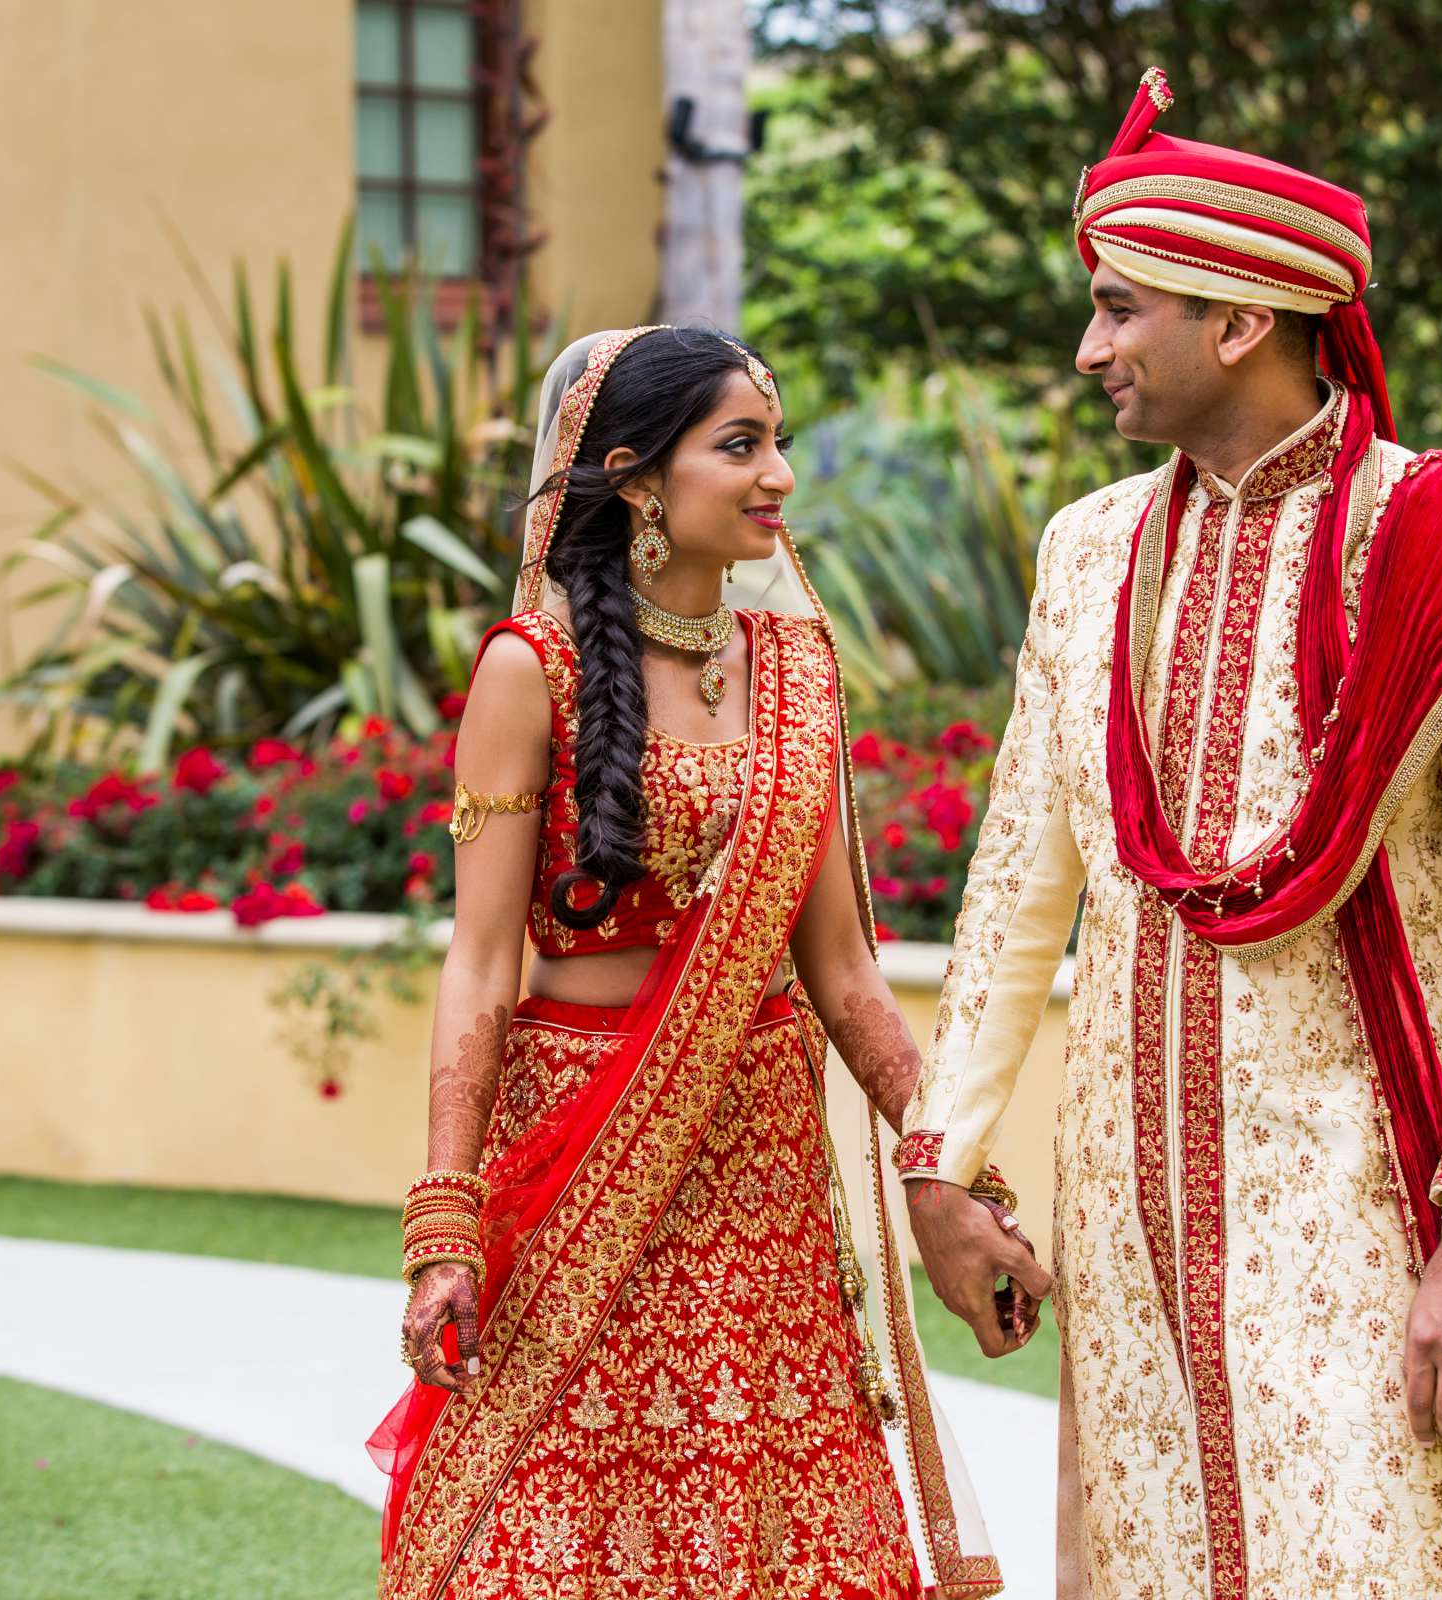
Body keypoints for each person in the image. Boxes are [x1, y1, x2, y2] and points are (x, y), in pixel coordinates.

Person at [896, 69, 1442, 1600]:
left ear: (1238, 324)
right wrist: (942, 1165)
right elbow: (1022, 878)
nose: (1089, 351)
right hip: (1132, 1219)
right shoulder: (1088, 554)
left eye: (1117, 309)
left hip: (1364, 1213)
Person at [370, 326, 1007, 1600]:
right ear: (638, 477)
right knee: (557, 1515)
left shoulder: (797, 675)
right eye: (741, 445)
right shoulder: (528, 670)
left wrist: (949, 1161)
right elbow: (482, 963)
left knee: (770, 1511)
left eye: (778, 443)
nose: (777, 475)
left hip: (762, 1166)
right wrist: (445, 1217)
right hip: (578, 1156)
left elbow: (845, 975)